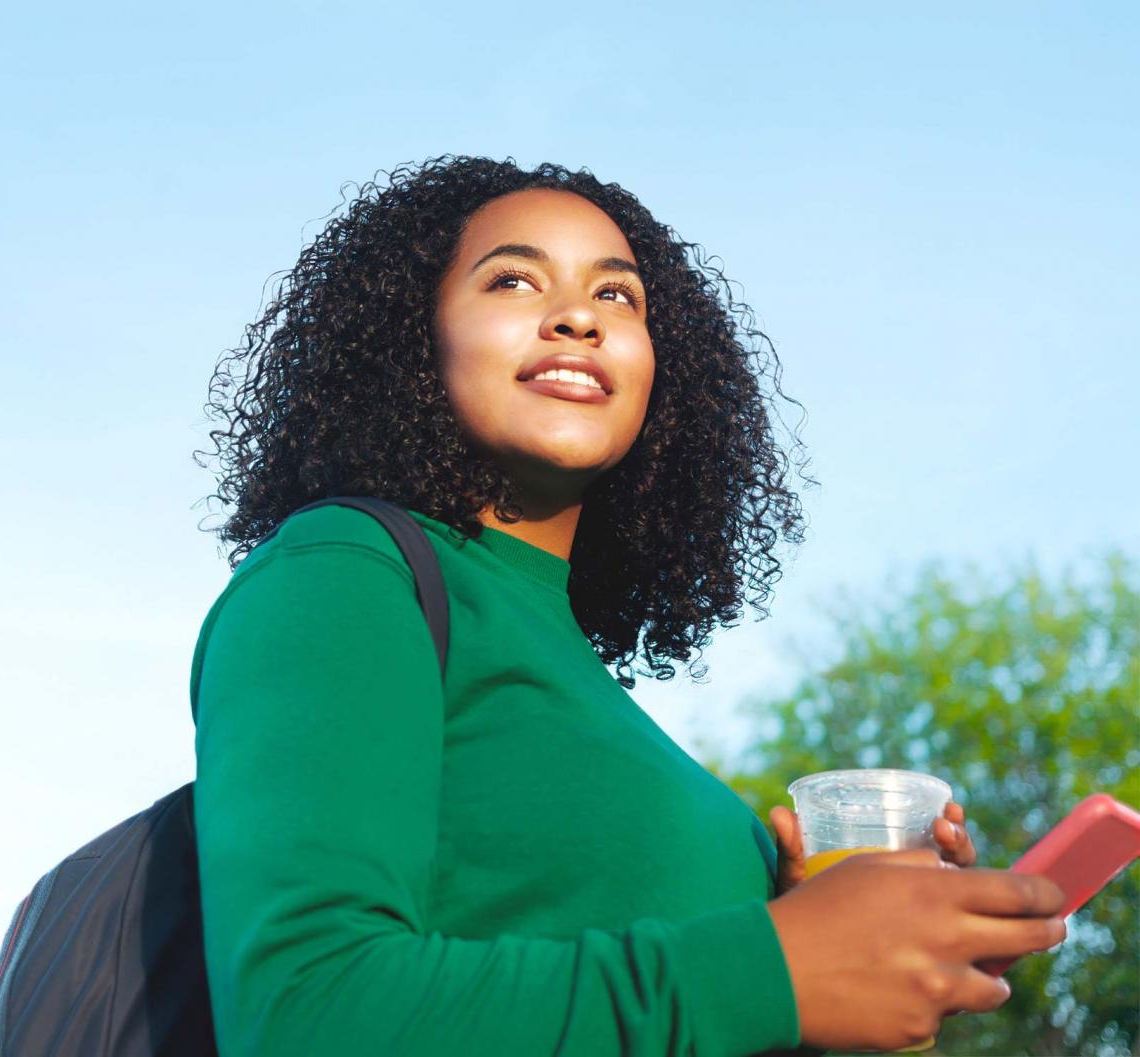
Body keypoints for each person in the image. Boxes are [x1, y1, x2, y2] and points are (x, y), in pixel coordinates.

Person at [186, 156, 1068, 1056]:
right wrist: (778, 963)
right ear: (410, 338)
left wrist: (840, 943)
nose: (578, 316)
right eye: (513, 279)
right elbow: (306, 1011)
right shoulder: (345, 569)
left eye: (619, 298)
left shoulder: (585, 687)